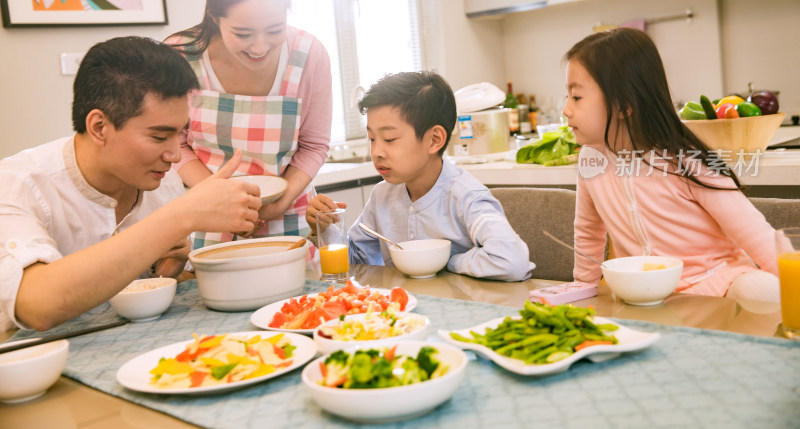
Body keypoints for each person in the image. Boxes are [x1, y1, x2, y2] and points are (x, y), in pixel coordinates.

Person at [0, 37, 263, 332]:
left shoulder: (163, 185)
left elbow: (160, 285)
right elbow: (35, 305)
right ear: (99, 127)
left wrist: (166, 272)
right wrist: (182, 215)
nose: (175, 154)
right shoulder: (17, 184)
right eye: (159, 137)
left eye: (179, 134)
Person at [563, 28, 779, 301]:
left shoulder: (686, 159)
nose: (566, 109)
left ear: (623, 105)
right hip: (644, 294)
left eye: (577, 97)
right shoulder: (590, 160)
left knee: (763, 290)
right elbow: (588, 232)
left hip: (716, 282)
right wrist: (582, 289)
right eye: (567, 97)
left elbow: (755, 234)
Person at [167, 0, 332, 249]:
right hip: (207, 215)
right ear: (215, 18)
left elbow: (314, 145)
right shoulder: (179, 56)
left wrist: (278, 204)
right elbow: (174, 142)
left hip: (288, 214)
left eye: (274, 30)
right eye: (243, 33)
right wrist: (219, 199)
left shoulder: (309, 55)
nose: (260, 47)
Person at [306, 71, 534, 282]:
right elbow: (356, 262)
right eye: (372, 139)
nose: (376, 152)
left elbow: (511, 260)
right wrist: (324, 230)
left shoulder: (465, 197)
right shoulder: (382, 195)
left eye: (390, 139)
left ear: (434, 140)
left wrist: (447, 262)